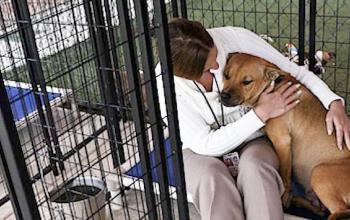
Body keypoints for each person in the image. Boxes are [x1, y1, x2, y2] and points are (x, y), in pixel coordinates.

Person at [156, 18, 350, 220]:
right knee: (211, 179)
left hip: (252, 139)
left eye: (219, 58)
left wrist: (334, 102)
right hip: (202, 149)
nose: (217, 64)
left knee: (256, 169)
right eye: (208, 69)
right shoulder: (166, 84)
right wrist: (261, 113)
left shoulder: (234, 39)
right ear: (186, 75)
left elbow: (295, 72)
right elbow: (204, 144)